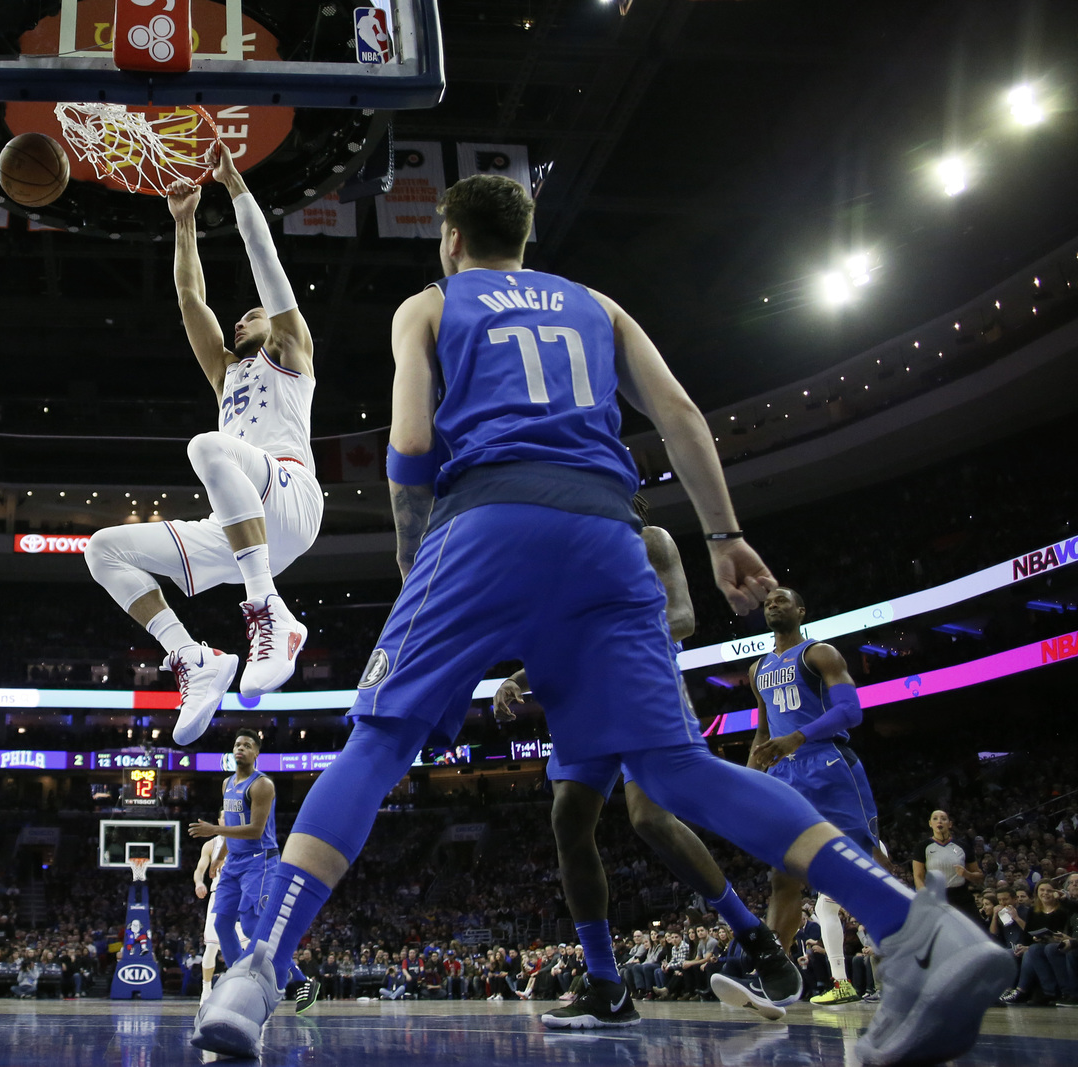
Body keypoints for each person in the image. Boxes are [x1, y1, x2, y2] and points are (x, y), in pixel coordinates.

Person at [189, 173, 1011, 1065]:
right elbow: (680, 412)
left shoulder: (428, 304)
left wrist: (413, 557)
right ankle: (921, 928)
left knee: (379, 742)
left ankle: (258, 969)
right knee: (677, 769)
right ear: (524, 238)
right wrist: (724, 534)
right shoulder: (597, 304)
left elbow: (414, 443)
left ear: (451, 240)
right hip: (608, 533)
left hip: (486, 520)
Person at [493, 496, 800, 1026]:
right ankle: (607, 986)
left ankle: (755, 936)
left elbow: (682, 619)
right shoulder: (567, 560)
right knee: (568, 818)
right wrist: (519, 678)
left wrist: (601, 640)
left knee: (651, 818)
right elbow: (562, 641)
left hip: (641, 682)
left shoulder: (650, 540)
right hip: (584, 697)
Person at [84, 146, 323, 747]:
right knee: (104, 550)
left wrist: (236, 187)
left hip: (290, 494)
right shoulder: (225, 375)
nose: (241, 321)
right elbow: (191, 298)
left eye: (252, 315)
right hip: (240, 530)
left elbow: (264, 258)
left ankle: (270, 612)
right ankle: (194, 658)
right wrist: (184, 221)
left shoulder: (292, 349)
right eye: (238, 318)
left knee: (207, 447)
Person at [747, 586, 891, 1008]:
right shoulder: (758, 669)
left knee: (865, 860)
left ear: (801, 610)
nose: (773, 604)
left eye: (781, 600)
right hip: (784, 773)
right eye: (767, 602)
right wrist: (748, 780)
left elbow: (850, 712)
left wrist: (798, 736)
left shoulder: (819, 653)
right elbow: (763, 732)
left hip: (828, 763)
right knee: (782, 875)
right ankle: (774, 977)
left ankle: (913, 952)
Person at [188, 731, 278, 982]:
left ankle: (299, 977)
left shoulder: (262, 785)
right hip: (234, 860)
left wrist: (214, 830)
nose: (240, 748)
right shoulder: (227, 783)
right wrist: (220, 856)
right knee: (222, 924)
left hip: (259, 859)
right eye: (237, 744)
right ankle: (241, 978)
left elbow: (255, 830)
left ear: (256, 753)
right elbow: (233, 823)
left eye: (247, 745)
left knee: (251, 926)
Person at [999, 879, 1077, 1005]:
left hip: (1057, 943)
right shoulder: (1033, 910)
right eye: (1042, 890)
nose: (1045, 893)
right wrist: (1030, 942)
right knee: (1023, 950)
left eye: (1049, 890)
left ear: (1055, 892)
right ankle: (1047, 991)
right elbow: (1027, 935)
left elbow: (1064, 932)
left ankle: (1021, 990)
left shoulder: (1063, 910)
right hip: (1040, 944)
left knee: (1036, 950)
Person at [193, 815, 238, 1004]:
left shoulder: (243, 839)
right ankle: (206, 990)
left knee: (247, 946)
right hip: (219, 895)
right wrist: (199, 882)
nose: (227, 820)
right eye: (224, 817)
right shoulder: (211, 845)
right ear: (218, 821)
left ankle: (246, 990)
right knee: (211, 946)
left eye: (230, 817)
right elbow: (199, 869)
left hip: (240, 895)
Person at [913, 810, 984, 916]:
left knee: (977, 925)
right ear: (930, 824)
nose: (939, 821)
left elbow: (979, 876)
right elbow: (918, 876)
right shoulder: (922, 847)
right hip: (936, 897)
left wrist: (967, 874)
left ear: (950, 824)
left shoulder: (962, 846)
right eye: (935, 819)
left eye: (943, 819)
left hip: (962, 896)